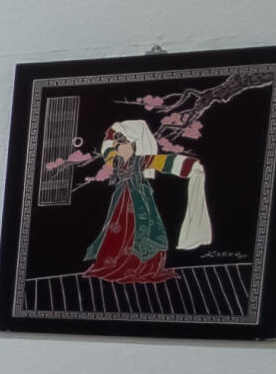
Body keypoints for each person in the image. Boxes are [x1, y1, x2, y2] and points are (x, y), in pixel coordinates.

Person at [83, 117, 209, 284]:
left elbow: (164, 162)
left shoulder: (140, 160)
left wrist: (191, 165)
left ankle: (144, 267)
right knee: (118, 231)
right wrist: (116, 133)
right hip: (121, 200)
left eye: (127, 145)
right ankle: (118, 264)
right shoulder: (116, 162)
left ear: (135, 147)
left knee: (147, 229)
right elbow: (107, 146)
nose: (123, 149)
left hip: (141, 198)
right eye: (120, 146)